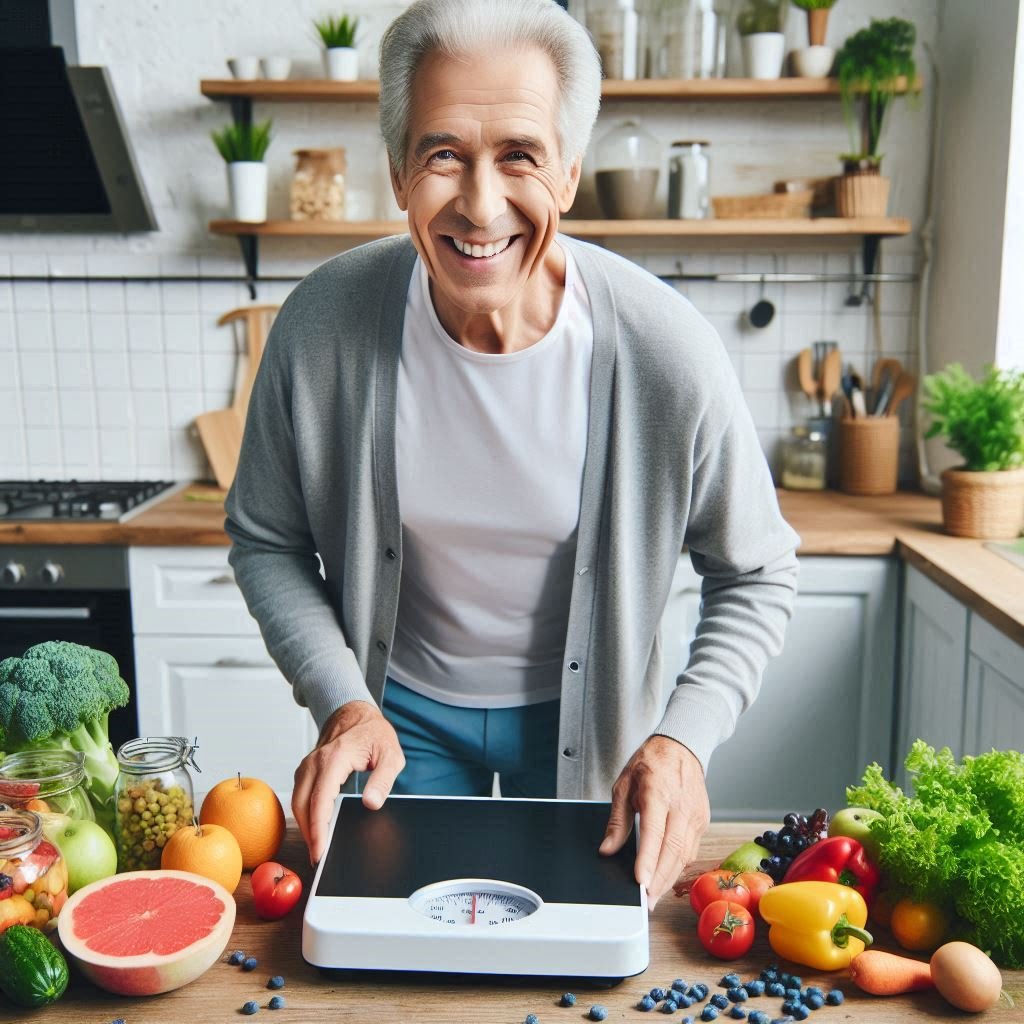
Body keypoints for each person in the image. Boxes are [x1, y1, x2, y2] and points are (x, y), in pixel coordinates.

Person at [225, 0, 799, 910]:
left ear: (570, 172)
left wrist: (682, 741)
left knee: (571, 971)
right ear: (398, 174)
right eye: (443, 153)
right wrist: (343, 699)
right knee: (399, 970)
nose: (480, 204)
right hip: (396, 724)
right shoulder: (321, 328)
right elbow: (265, 540)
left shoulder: (665, 349)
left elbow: (757, 572)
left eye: (520, 156)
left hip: (593, 726)